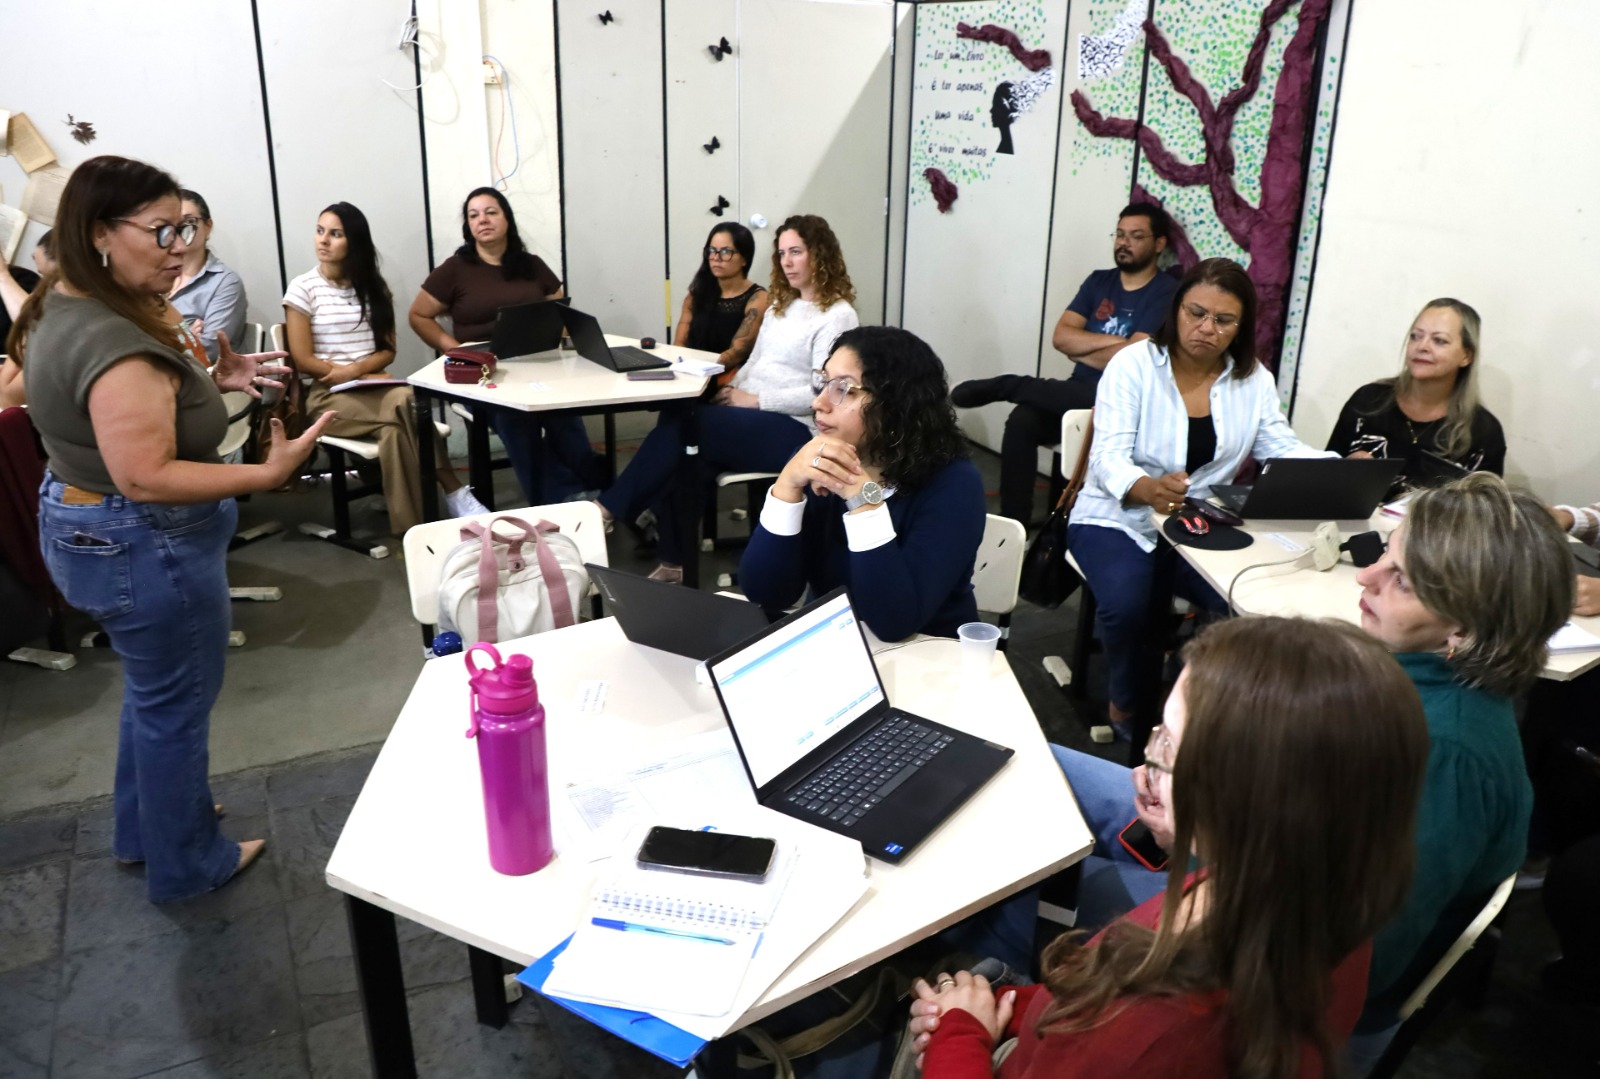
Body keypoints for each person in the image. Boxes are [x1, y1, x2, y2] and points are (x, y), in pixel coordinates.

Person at [906, 616, 1431, 1079]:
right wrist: (999, 1006)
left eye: (1168, 746)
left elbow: (1098, 1032)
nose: (1148, 760)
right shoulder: (1318, 892)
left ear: (1242, 802)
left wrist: (960, 1032)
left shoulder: (1139, 1035)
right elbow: (1071, 1013)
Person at [15, 155, 336, 902]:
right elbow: (146, 473)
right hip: (142, 537)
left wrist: (209, 380)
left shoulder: (64, 301)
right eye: (161, 231)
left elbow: (118, 419)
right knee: (176, 706)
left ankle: (145, 828)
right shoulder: (113, 342)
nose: (180, 247)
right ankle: (188, 863)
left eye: (185, 228)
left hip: (90, 522)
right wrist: (265, 474)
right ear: (100, 233)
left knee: (154, 695)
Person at [1343, 473, 1571, 1067]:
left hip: (1313, 1001)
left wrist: (1212, 846)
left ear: (1463, 630)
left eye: (1402, 580)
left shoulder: (1444, 755)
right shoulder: (1419, 686)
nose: (1366, 577)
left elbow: (1366, 957)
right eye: (1384, 555)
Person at [1069, 257, 1330, 737]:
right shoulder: (1134, 364)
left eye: (1224, 320)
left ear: (1241, 327)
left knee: (1248, 601)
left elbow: (1280, 448)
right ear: (1176, 310)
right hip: (1114, 516)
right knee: (1129, 604)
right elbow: (1107, 458)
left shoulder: (1252, 379)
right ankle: (1127, 702)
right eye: (1196, 313)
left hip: (1197, 519)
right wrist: (1147, 489)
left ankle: (1193, 694)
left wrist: (1338, 467)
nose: (1207, 328)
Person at [595, 213, 859, 582]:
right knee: (687, 457)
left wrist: (756, 400)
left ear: (820, 254)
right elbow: (756, 362)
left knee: (686, 426)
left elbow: (824, 392)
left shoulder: (837, 315)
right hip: (754, 418)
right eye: (782, 253)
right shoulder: (783, 305)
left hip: (798, 428)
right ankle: (675, 563)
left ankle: (607, 509)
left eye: (796, 252)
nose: (787, 262)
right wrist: (729, 393)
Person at [739, 326, 984, 641]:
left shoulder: (955, 485)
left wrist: (861, 500)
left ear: (895, 404)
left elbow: (894, 622)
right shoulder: (820, 462)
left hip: (929, 654)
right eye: (824, 383)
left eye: (844, 389)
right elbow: (767, 593)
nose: (819, 403)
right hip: (836, 645)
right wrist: (786, 487)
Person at [951, 203, 1178, 525]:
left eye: (1136, 236)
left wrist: (1083, 347)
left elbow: (1133, 357)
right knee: (1022, 420)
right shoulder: (1099, 281)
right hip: (1077, 390)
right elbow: (1061, 337)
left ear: (1159, 244)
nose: (1123, 243)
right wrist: (1114, 345)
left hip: (1121, 399)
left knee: (1043, 396)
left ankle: (1007, 386)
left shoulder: (1167, 292)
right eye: (1119, 234)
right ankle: (1014, 525)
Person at [283, 202, 486, 536]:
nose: (323, 240)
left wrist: (357, 372)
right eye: (320, 231)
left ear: (354, 242)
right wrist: (352, 374)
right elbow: (303, 359)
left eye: (335, 234)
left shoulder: (374, 289)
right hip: (327, 397)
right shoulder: (302, 288)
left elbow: (387, 350)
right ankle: (454, 491)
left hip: (372, 390)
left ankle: (413, 531)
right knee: (407, 400)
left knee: (394, 432)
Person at [408, 187, 604, 503]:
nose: (482, 220)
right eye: (474, 215)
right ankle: (565, 497)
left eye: (491, 212)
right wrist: (455, 349)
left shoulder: (531, 265)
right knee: (515, 417)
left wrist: (566, 344)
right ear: (468, 226)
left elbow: (561, 311)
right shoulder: (455, 269)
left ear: (507, 219)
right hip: (483, 375)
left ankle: (601, 494)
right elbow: (418, 315)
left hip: (539, 365)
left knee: (565, 415)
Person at [1325, 298, 1505, 492]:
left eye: (1439, 340)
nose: (1422, 346)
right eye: (1415, 336)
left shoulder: (1484, 433)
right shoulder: (1367, 401)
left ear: (1466, 356)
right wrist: (1344, 470)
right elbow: (1321, 480)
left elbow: (1485, 508)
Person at [673, 221, 768, 384]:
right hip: (688, 375)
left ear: (744, 259)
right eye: (712, 251)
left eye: (725, 252)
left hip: (728, 380)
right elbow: (679, 343)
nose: (716, 258)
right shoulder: (696, 295)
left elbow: (738, 351)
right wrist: (683, 369)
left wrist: (701, 370)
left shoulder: (758, 298)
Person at [167, 189, 248, 362]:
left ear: (208, 227)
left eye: (188, 222)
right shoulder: (155, 277)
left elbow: (209, 351)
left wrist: (169, 337)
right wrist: (184, 337)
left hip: (206, 375)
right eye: (171, 225)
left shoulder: (225, 282)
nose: (180, 231)